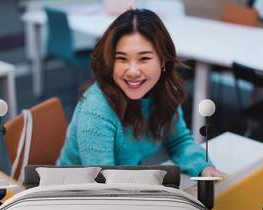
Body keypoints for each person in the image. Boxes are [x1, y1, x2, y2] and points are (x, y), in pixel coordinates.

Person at [57, 9, 224, 177]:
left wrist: (203, 167)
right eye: (122, 59)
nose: (133, 71)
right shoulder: (97, 108)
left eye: (144, 59)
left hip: (120, 183)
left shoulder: (164, 91)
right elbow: (102, 182)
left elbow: (179, 142)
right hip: (76, 192)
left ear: (163, 60)